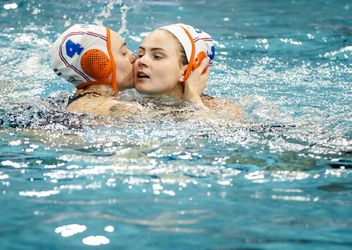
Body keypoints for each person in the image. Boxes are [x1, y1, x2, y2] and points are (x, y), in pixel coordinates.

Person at [50, 24, 207, 117]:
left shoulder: (116, 100)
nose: (136, 59)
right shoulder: (112, 109)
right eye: (124, 52)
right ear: (98, 64)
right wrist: (192, 100)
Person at [134, 23, 242, 119]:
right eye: (140, 54)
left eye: (157, 56)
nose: (141, 61)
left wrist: (193, 101)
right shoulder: (128, 107)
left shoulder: (223, 110)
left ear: (188, 71)